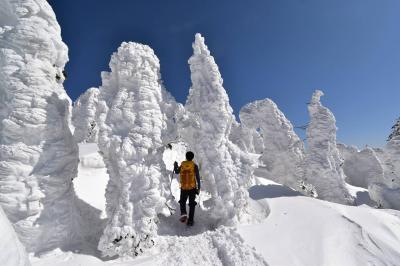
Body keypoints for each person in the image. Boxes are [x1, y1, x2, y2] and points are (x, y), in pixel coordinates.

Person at [173, 151, 201, 226]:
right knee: (192, 204)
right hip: (192, 188)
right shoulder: (194, 166)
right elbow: (198, 178)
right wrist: (199, 188)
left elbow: (176, 171)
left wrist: (175, 165)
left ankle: (184, 213)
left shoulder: (182, 165)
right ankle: (190, 221)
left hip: (184, 188)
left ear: (186, 157)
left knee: (182, 201)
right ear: (192, 157)